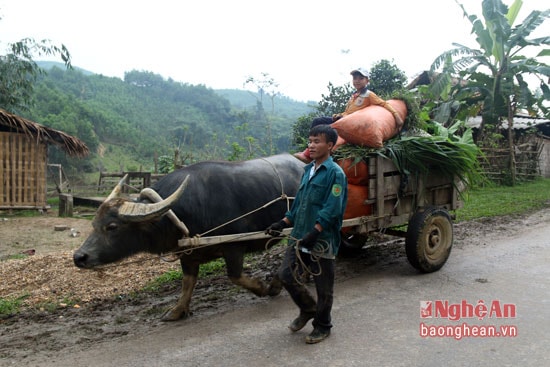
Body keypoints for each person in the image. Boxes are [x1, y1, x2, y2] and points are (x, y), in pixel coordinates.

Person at [266, 124, 348, 344]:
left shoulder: (335, 174)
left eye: (317, 141)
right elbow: (299, 204)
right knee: (285, 274)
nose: (311, 145)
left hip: (321, 240)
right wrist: (282, 222)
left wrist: (316, 230)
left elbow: (333, 208)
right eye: (310, 141)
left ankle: (323, 326)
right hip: (300, 235)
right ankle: (307, 308)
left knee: (324, 287)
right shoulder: (307, 170)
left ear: (330, 146)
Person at [294, 67, 404, 163]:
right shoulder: (354, 95)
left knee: (328, 130)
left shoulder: (369, 94)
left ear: (367, 81)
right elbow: (347, 112)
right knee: (317, 121)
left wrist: (396, 116)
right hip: (343, 119)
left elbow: (383, 103)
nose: (357, 81)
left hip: (352, 123)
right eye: (355, 78)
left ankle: (312, 154)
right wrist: (339, 115)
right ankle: (310, 148)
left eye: (361, 78)